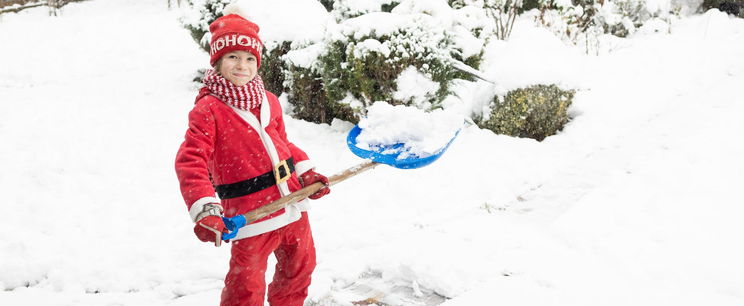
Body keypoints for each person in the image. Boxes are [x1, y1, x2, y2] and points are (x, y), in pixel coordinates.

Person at [175, 13, 331, 306]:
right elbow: (191, 161)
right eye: (232, 56)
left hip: (292, 199)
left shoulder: (267, 99)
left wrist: (306, 173)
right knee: (245, 285)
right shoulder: (208, 109)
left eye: (249, 58)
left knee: (300, 268)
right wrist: (206, 209)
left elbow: (281, 142)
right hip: (250, 212)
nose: (242, 65)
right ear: (218, 62)